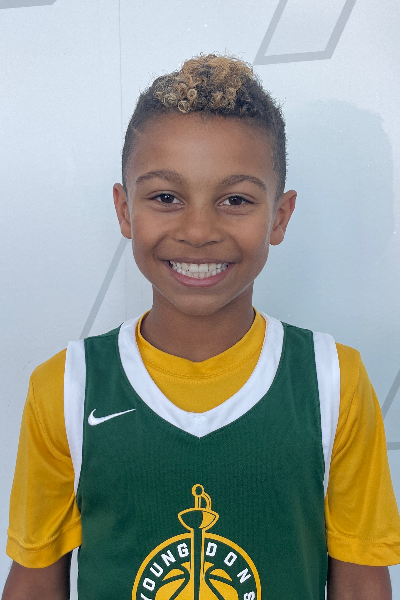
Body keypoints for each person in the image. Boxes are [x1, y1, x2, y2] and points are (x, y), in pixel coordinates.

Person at [2, 53, 400, 600]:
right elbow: (33, 585)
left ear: (280, 216)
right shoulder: (68, 388)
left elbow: (360, 587)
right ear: (124, 209)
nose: (197, 230)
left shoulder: (332, 383)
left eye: (235, 200)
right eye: (166, 197)